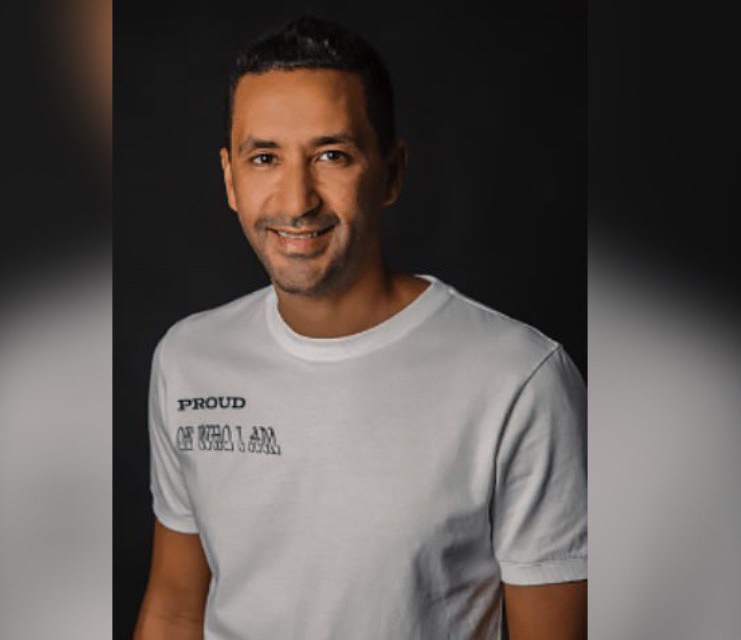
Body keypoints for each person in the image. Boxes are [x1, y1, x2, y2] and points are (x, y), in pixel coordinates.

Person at [133, 15, 587, 640]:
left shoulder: (519, 379)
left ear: (391, 173)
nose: (297, 201)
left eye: (332, 156)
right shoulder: (188, 358)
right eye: (264, 158)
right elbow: (174, 608)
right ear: (231, 179)